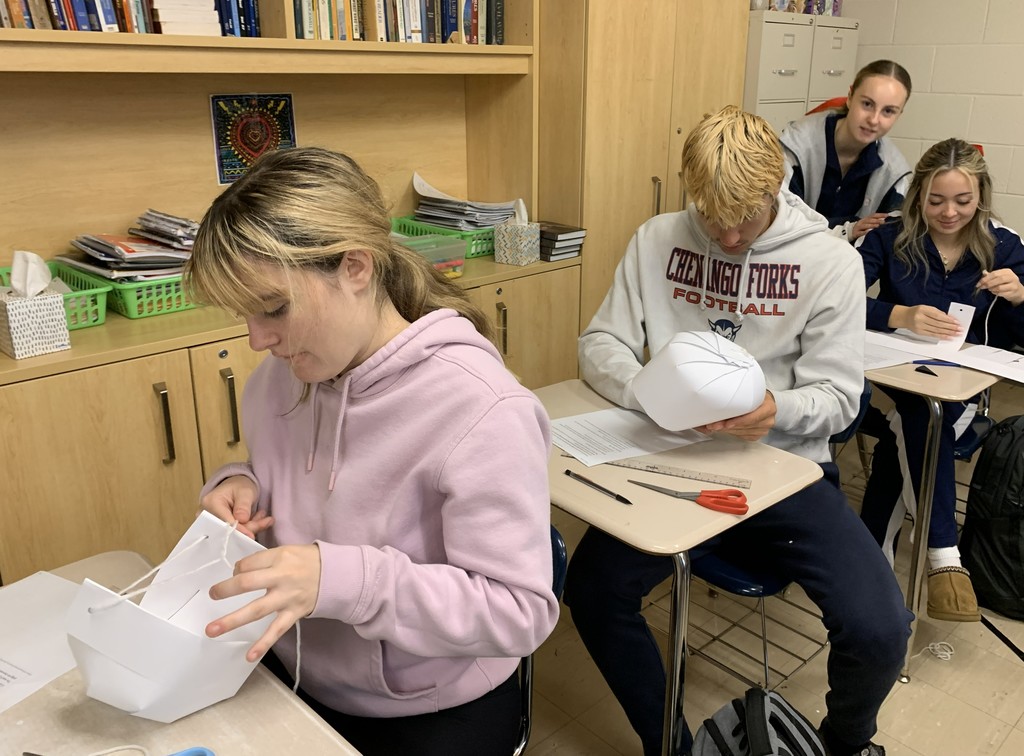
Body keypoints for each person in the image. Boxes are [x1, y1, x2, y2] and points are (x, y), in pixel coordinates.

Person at [182, 147, 559, 756]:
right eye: (243, 315)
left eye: (274, 308)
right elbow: (289, 471)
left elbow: (519, 612)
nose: (256, 340)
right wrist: (241, 482)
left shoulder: (483, 408)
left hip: (428, 701)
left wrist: (342, 579)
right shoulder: (282, 377)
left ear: (355, 267)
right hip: (295, 667)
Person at [564, 105, 912, 756]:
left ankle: (845, 743)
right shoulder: (657, 238)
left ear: (776, 185)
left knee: (881, 627)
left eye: (743, 221)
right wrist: (644, 391)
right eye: (710, 221)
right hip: (671, 458)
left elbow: (841, 399)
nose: (725, 239)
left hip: (782, 470)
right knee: (592, 591)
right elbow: (600, 342)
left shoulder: (828, 262)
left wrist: (774, 410)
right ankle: (669, 744)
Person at [856, 138, 1024, 622]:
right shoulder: (890, 235)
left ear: (981, 198)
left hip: (956, 387)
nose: (948, 213)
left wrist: (1019, 298)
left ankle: (875, 564)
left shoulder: (1005, 245)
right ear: (917, 195)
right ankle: (943, 554)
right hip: (889, 375)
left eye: (963, 201)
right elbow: (842, 301)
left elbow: (1018, 339)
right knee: (918, 411)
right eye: (935, 200)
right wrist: (898, 314)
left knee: (915, 421)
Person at [780, 60, 913, 242]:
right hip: (792, 257)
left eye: (888, 111)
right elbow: (782, 219)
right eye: (867, 104)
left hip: (854, 263)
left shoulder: (895, 174)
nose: (874, 120)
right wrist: (847, 230)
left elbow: (886, 240)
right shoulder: (796, 146)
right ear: (850, 96)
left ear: (899, 115)